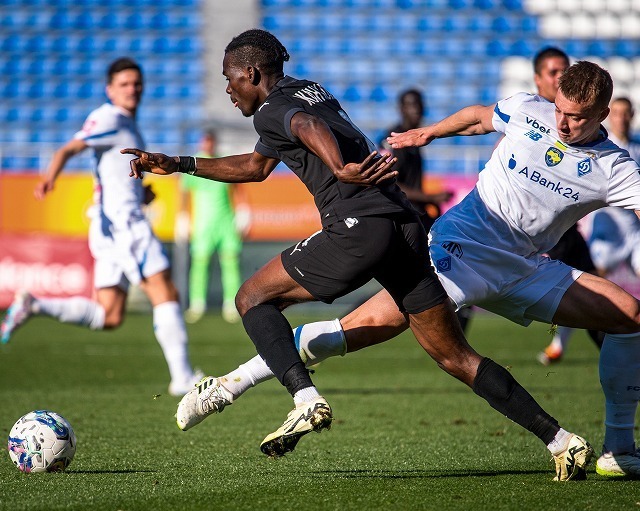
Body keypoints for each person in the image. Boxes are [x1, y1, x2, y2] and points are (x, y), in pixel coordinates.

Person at [123, 29, 592, 481]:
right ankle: (560, 440)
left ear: (251, 72)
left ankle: (305, 398)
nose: (228, 90)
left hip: (359, 227)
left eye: (230, 79)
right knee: (455, 356)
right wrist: (179, 163)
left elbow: (304, 128)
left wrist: (339, 168)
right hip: (405, 225)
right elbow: (255, 166)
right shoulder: (308, 90)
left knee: (252, 298)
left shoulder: (274, 110)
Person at [0, 57, 202, 397]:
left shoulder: (129, 124)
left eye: (137, 83)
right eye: (124, 84)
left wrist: (142, 192)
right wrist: (50, 176)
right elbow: (71, 147)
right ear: (110, 89)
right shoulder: (109, 116)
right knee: (164, 290)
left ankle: (35, 304)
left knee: (110, 314)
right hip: (123, 224)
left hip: (111, 224)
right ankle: (182, 377)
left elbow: (113, 173)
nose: (132, 89)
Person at [529, 47, 603, 365]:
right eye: (552, 72)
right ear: (537, 79)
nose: (560, 77)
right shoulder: (526, 119)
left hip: (568, 232)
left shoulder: (582, 126)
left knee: (601, 302)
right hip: (542, 236)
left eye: (564, 70)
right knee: (592, 301)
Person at [379, 90, 470, 330]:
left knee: (446, 271)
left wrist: (429, 203)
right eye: (410, 106)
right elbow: (391, 183)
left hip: (418, 215)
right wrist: (431, 197)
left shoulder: (414, 140)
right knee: (444, 272)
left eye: (419, 105)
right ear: (400, 108)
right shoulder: (392, 141)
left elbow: (411, 186)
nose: (416, 111)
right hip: (402, 220)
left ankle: (456, 332)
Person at [178, 129, 245, 324]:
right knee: (199, 264)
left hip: (225, 221)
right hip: (203, 222)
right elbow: (183, 191)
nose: (207, 145)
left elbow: (237, 188)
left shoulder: (222, 162)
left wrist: (242, 212)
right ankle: (197, 303)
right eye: (204, 142)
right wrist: (183, 216)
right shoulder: (194, 164)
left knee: (230, 263)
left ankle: (231, 305)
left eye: (210, 142)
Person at [588, 97, 640, 279]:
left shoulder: (637, 148)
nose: (621, 118)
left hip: (634, 229)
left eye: (625, 113)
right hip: (608, 227)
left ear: (632, 115)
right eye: (617, 113)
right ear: (609, 116)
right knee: (597, 281)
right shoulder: (600, 146)